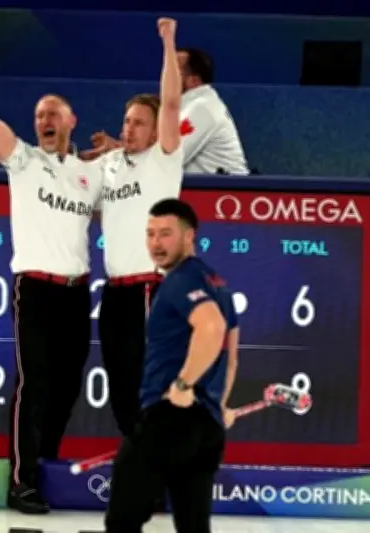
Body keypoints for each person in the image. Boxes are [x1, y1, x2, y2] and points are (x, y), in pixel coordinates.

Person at [0, 41, 100, 514]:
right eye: (39, 115)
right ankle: (21, 481)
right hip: (35, 288)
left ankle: (45, 463)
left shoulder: (91, 174)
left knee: (67, 384)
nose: (44, 121)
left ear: (71, 122)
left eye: (53, 114)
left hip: (77, 291)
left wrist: (117, 149)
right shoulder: (23, 161)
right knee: (33, 383)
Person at [104, 198, 239, 533]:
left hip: (170, 419)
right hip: (207, 426)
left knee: (122, 520)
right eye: (150, 234)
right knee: (193, 527)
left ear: (189, 236)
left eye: (166, 234)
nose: (155, 243)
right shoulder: (216, 282)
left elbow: (213, 329)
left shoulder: (182, 280)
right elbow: (231, 353)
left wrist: (183, 385)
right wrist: (219, 404)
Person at [97, 17, 184, 439]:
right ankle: (138, 459)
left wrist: (168, 43)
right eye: (126, 121)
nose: (128, 128)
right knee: (119, 384)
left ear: (156, 132)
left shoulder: (163, 160)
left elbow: (170, 103)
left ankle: (157, 467)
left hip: (149, 289)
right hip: (113, 292)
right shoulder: (110, 164)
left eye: (138, 123)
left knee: (148, 382)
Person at [83, 49, 248, 176]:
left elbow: (167, 157)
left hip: (229, 194)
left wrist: (115, 151)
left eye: (174, 71)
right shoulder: (188, 106)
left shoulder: (202, 108)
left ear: (193, 80)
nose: (166, 76)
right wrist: (118, 148)